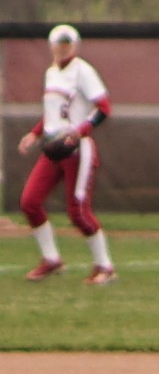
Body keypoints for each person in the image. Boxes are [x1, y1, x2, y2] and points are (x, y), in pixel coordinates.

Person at [16, 24, 115, 284]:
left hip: (76, 150)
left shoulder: (83, 71)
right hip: (53, 147)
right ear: (51, 46)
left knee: (78, 212)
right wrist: (35, 133)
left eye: (67, 44)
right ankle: (51, 259)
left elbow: (104, 107)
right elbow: (53, 114)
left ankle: (105, 266)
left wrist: (80, 131)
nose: (62, 49)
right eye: (59, 44)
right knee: (30, 202)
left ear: (75, 46)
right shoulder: (51, 73)